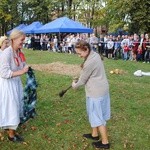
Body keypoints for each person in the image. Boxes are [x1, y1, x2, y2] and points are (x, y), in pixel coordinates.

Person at [72, 40, 111, 149]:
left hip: (96, 92)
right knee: (93, 113)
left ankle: (105, 142)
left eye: (80, 53)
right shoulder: (95, 55)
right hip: (101, 89)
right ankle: (94, 135)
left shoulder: (89, 62)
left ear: (86, 49)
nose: (79, 56)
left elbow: (82, 81)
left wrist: (74, 85)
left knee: (98, 117)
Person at [0, 29, 29, 142]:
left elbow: (21, 64)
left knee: (16, 106)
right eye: (21, 40)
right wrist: (21, 72)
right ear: (13, 39)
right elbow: (3, 73)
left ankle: (9, 128)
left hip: (16, 83)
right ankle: (11, 135)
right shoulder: (6, 53)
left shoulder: (19, 52)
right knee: (11, 108)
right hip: (8, 85)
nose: (23, 42)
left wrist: (25, 68)